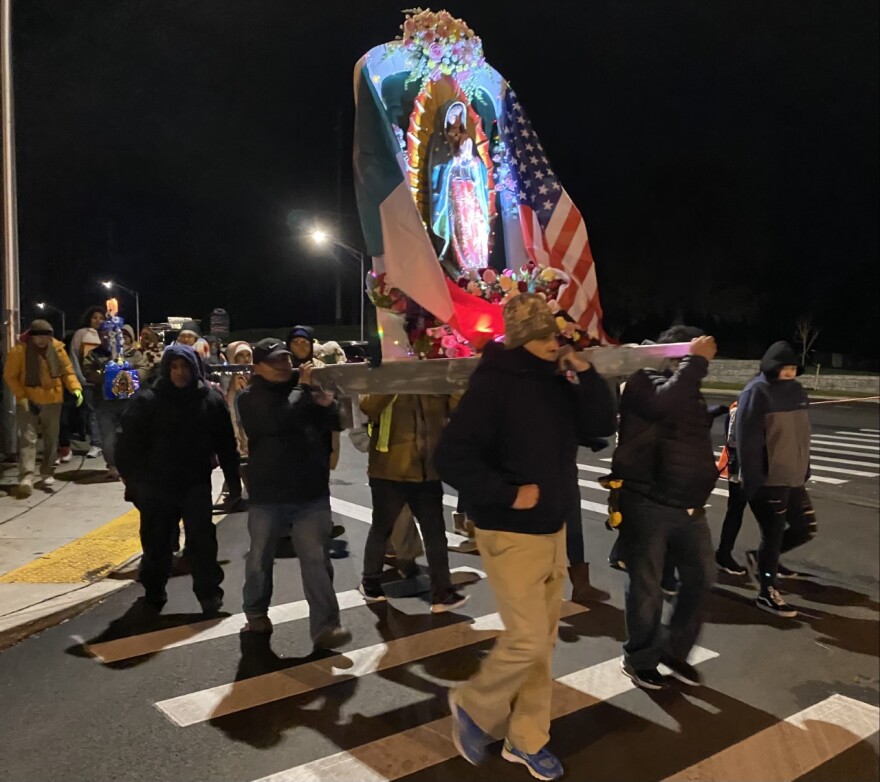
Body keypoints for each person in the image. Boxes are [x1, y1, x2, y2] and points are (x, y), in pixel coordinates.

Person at [434, 294, 615, 780]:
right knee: (529, 639)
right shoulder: (494, 385)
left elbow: (600, 428)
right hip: (509, 532)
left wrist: (586, 374)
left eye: (555, 333)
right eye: (546, 335)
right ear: (523, 339)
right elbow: (451, 456)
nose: (555, 341)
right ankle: (473, 704)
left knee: (543, 644)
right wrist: (507, 494)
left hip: (551, 530)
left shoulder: (554, 381)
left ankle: (526, 739)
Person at [611, 325, 718, 692]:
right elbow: (661, 405)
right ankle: (639, 659)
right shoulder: (643, 377)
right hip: (648, 501)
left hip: (689, 504)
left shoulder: (684, 383)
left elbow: (681, 426)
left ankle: (673, 648)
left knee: (702, 577)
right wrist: (695, 364)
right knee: (647, 588)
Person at [237, 338, 350, 650]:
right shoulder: (249, 397)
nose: (284, 365)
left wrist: (328, 403)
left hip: (309, 492)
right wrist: (304, 389)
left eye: (286, 359)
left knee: (316, 559)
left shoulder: (307, 392)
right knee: (259, 559)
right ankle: (256, 613)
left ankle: (327, 626)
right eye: (275, 361)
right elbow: (277, 422)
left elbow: (337, 422)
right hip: (267, 495)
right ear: (257, 366)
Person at [115, 344, 241, 614]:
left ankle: (209, 594)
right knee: (156, 542)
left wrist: (234, 483)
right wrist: (133, 483)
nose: (179, 373)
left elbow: (226, 445)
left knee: (202, 540)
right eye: (174, 367)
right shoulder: (148, 400)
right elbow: (126, 445)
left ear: (194, 369)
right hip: (156, 485)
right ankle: (154, 591)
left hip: (195, 483)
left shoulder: (210, 399)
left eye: (185, 367)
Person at [359, 393, 467, 612]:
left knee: (436, 534)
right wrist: (395, 381)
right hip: (389, 472)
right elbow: (368, 406)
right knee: (382, 528)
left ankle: (442, 593)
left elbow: (457, 408)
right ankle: (370, 581)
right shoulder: (384, 377)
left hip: (427, 472)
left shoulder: (430, 378)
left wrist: (455, 384)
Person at [736, 341, 816, 618]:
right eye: (785, 368)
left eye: (794, 368)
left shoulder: (797, 391)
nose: (790, 373)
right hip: (768, 479)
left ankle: (761, 560)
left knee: (806, 527)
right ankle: (766, 590)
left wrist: (806, 465)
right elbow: (747, 441)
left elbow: (803, 433)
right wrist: (752, 478)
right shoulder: (756, 392)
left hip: (793, 475)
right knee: (772, 535)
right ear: (772, 367)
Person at [4, 320, 83, 497]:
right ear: (31, 336)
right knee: (27, 438)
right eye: (38, 336)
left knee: (51, 437)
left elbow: (67, 372)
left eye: (46, 336)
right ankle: (26, 476)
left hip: (53, 399)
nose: (42, 340)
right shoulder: (20, 350)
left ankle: (47, 471)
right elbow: (10, 376)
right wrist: (21, 395)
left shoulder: (57, 349)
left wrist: (75, 388)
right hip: (28, 399)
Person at [83, 321, 149, 480]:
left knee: (130, 434)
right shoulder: (94, 354)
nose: (108, 336)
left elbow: (144, 368)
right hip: (105, 402)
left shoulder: (132, 353)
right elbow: (88, 371)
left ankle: (131, 464)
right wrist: (105, 374)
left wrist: (130, 376)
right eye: (104, 333)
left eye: (112, 332)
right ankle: (112, 465)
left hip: (129, 400)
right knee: (108, 437)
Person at [714, 401, 749, 576]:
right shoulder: (739, 408)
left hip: (764, 470)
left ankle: (770, 557)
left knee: (769, 518)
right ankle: (724, 553)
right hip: (741, 470)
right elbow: (732, 441)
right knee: (736, 511)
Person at [71, 305, 105, 458]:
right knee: (92, 412)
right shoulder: (81, 334)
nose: (98, 320)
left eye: (101, 317)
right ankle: (96, 444)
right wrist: (80, 378)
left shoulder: (107, 334)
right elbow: (74, 355)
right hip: (89, 380)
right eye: (94, 317)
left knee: (108, 412)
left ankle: (107, 443)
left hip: (107, 381)